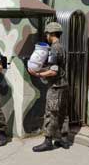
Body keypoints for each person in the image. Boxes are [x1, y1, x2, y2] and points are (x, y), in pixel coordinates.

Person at [28, 22, 70, 152]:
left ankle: (48, 141)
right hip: (64, 86)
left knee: (51, 113)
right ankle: (63, 140)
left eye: (47, 33)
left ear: (51, 34)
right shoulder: (61, 47)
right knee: (63, 113)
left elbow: (53, 71)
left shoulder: (54, 49)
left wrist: (38, 73)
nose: (46, 35)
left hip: (56, 87)